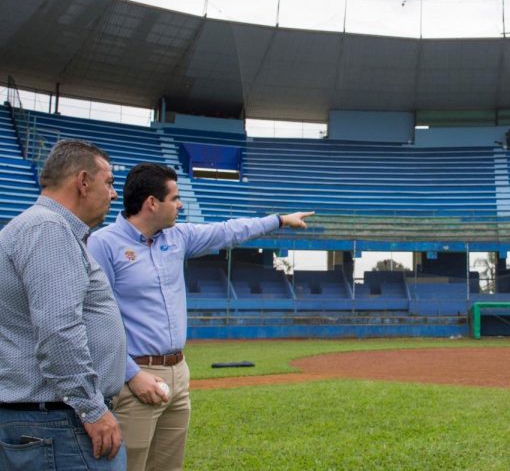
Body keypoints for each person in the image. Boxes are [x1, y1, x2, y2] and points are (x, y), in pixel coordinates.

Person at [87, 163, 314, 471]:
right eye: (175, 198)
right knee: (128, 465)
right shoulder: (104, 243)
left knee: (169, 465)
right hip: (133, 377)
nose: (180, 205)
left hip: (178, 373)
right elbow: (97, 319)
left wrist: (278, 220)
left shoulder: (177, 237)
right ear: (152, 203)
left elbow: (228, 231)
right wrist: (131, 374)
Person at [0, 140, 126, 470]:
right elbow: (59, 330)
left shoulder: (42, 228)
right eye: (109, 182)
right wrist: (92, 408)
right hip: (59, 424)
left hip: (52, 419)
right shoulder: (48, 230)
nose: (113, 195)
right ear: (83, 182)